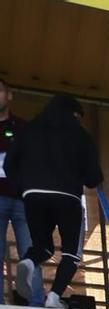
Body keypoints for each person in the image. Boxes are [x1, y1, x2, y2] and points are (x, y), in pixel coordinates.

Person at [5, 94, 101, 309]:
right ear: (75, 114)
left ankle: (28, 261)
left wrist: (25, 187)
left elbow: (9, 164)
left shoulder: (29, 129)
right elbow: (94, 178)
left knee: (43, 246)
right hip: (68, 197)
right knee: (71, 253)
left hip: (33, 195)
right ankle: (54, 296)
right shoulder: (80, 133)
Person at [0, 79, 25, 279]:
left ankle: (35, 303)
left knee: (30, 252)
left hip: (22, 199)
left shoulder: (24, 128)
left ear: (9, 95)